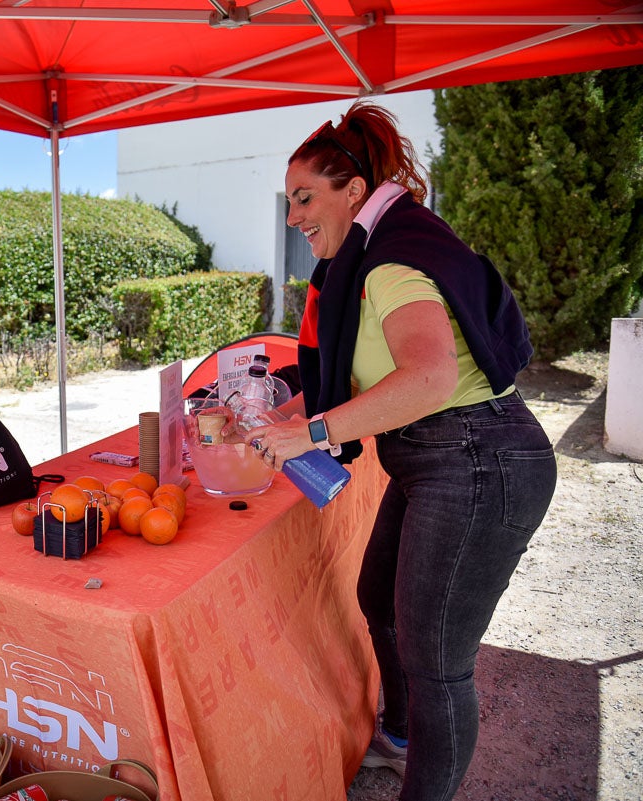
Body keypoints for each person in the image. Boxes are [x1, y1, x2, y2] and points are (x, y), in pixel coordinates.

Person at [248, 102, 557, 800]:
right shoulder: (373, 252)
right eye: (289, 200)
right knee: (377, 594)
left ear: (353, 191)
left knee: (437, 661)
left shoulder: (391, 261)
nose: (294, 215)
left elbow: (430, 377)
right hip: (438, 458)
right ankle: (399, 731)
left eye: (305, 197)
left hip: (479, 461)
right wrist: (283, 410)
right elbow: (371, 375)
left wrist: (314, 431)